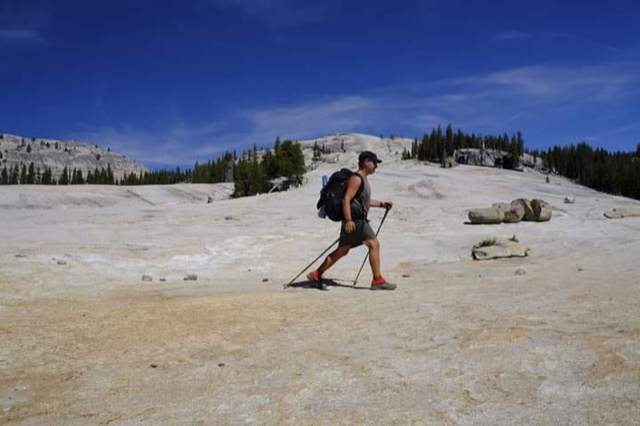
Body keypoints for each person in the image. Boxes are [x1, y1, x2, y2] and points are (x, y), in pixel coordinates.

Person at [307, 151, 396, 290]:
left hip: (355, 220)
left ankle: (317, 273)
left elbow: (363, 201)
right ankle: (377, 280)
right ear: (366, 162)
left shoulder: (362, 180)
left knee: (342, 251)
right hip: (355, 220)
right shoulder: (357, 179)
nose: (376, 166)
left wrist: (381, 204)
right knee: (374, 244)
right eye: (374, 162)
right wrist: (348, 220)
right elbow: (346, 199)